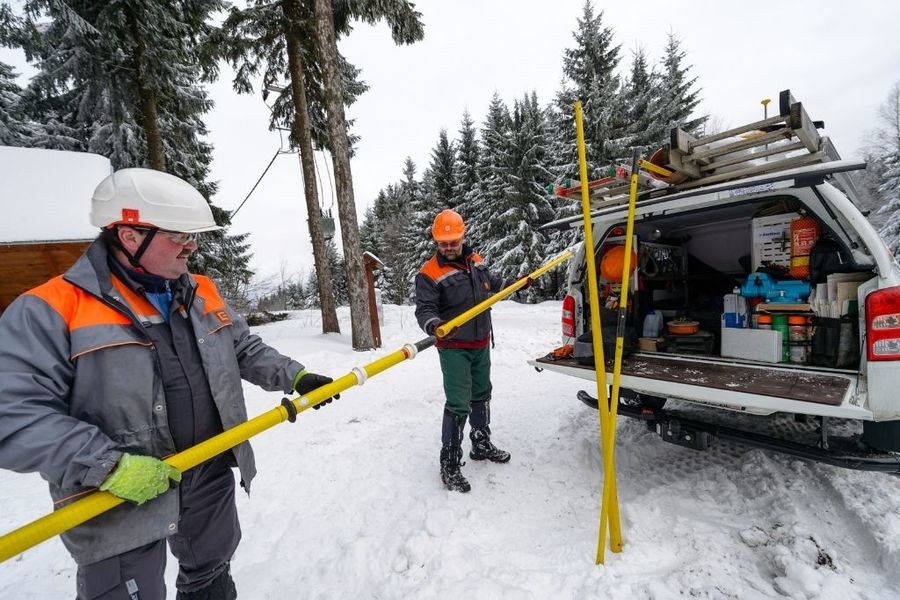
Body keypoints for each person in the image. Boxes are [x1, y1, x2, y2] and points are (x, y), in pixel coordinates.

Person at [0, 168, 337, 600]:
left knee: (212, 574)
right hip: (117, 496)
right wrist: (107, 466)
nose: (192, 246)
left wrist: (296, 375)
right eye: (179, 235)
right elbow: (12, 414)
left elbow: (242, 348)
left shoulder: (200, 291)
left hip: (208, 468)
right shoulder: (50, 309)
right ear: (129, 235)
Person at [414, 209, 511, 493]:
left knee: (482, 394)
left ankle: (480, 443)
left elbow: (491, 284)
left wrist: (516, 283)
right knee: (458, 403)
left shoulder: (476, 260)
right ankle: (450, 464)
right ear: (436, 242)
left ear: (462, 237)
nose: (448, 247)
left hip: (480, 343)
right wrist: (436, 325)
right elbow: (425, 311)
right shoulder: (429, 273)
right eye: (443, 243)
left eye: (453, 241)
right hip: (454, 347)